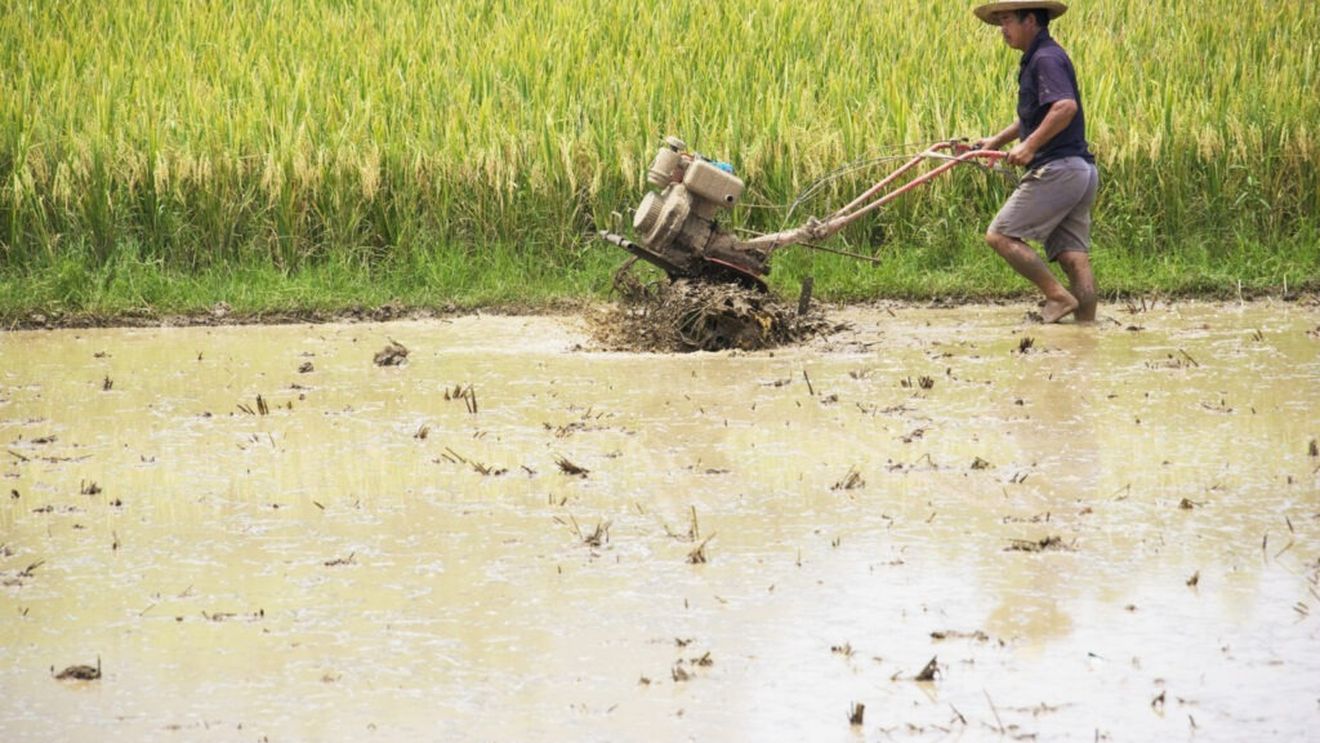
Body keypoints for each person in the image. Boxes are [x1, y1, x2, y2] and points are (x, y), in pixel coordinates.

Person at [972, 1, 1098, 323]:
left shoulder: (1045, 58)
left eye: (1007, 20)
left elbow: (1064, 107)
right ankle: (1086, 334)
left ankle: (1057, 296)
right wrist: (996, 142)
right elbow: (1036, 115)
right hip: (1080, 170)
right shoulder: (1043, 57)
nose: (1003, 29)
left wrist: (1029, 146)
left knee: (999, 235)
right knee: (1074, 258)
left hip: (1057, 169)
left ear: (1031, 20)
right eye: (999, 22)